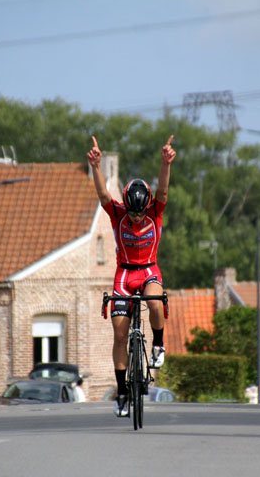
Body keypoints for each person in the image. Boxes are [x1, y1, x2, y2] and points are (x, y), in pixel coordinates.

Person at [87, 134, 176, 417]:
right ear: (127, 207)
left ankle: (158, 345)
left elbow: (162, 191)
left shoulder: (155, 211)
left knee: (155, 302)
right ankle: (123, 392)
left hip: (149, 271)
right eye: (133, 214)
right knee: (119, 333)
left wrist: (165, 163)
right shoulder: (118, 214)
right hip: (124, 275)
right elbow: (103, 195)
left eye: (141, 214)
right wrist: (96, 166)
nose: (137, 218)